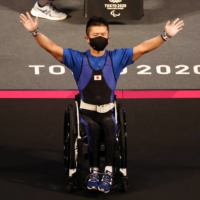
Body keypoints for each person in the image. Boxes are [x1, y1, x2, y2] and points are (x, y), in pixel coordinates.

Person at [19, 12, 184, 193]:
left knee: (110, 127)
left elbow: (143, 47)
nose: (100, 38)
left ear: (108, 38)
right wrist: (35, 32)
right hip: (85, 114)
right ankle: (93, 172)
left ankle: (108, 172)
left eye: (103, 35)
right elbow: (52, 48)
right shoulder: (77, 59)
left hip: (108, 112)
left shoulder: (116, 58)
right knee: (93, 129)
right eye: (96, 35)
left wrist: (165, 35)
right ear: (87, 38)